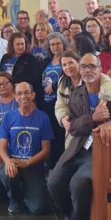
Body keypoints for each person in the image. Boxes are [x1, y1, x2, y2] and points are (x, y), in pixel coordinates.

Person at [47, 53, 111, 220]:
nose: (87, 70)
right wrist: (92, 119)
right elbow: (74, 127)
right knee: (54, 182)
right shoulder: (77, 94)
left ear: (100, 69)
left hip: (102, 151)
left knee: (79, 183)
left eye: (92, 66)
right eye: (84, 67)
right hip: (78, 148)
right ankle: (70, 217)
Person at [0, 82, 54, 215]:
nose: (23, 96)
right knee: (8, 173)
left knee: (37, 208)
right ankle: (15, 198)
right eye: (19, 93)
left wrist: (27, 163)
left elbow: (46, 151)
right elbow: (2, 148)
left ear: (33, 95)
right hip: (14, 164)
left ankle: (28, 192)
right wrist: (8, 161)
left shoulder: (43, 118)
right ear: (15, 97)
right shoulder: (8, 117)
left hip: (34, 165)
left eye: (26, 92)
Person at [42, 32, 68, 167]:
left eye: (58, 43)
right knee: (49, 135)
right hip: (46, 103)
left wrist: (54, 85)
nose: (55, 46)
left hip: (60, 103)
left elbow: (70, 76)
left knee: (59, 135)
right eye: (52, 44)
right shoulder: (46, 61)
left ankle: (61, 166)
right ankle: (51, 166)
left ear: (63, 44)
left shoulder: (67, 59)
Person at [0, 32, 44, 107]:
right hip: (5, 93)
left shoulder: (30, 59)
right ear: (12, 45)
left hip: (22, 96)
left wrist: (18, 84)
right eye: (18, 44)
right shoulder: (5, 57)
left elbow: (36, 79)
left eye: (22, 44)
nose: (20, 46)